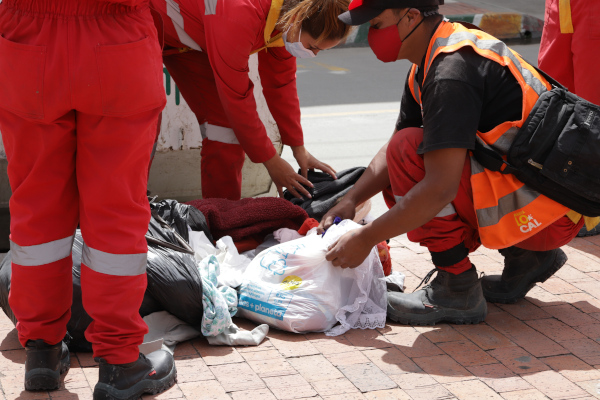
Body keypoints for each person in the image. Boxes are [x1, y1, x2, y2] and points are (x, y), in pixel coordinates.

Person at [320, 0, 585, 325]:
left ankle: (456, 286)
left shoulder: (451, 70)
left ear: (411, 17)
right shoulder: (438, 55)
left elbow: (438, 188)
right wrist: (350, 199)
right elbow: (396, 142)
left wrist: (365, 239)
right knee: (405, 149)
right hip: (548, 205)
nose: (372, 35)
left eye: (376, 25)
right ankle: (527, 257)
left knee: (410, 156)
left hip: (547, 217)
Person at [0, 0, 177, 398]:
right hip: (118, 37)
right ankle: (119, 362)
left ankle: (42, 352)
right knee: (115, 211)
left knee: (37, 210)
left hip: (27, 34)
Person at [150, 0, 350, 200]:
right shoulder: (239, 13)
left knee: (224, 130)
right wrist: (271, 162)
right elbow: (236, 97)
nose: (313, 54)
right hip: (145, 23)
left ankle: (224, 217)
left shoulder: (286, 17)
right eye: (313, 47)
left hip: (185, 41)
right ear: (297, 19)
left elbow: (281, 84)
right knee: (143, 123)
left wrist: (299, 150)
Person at [539, 0, 600, 237]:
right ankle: (567, 198)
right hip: (561, 5)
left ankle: (590, 206)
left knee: (593, 106)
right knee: (555, 99)